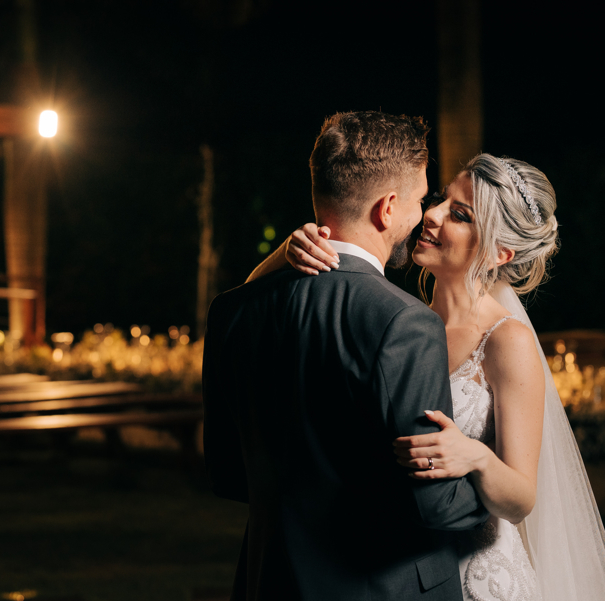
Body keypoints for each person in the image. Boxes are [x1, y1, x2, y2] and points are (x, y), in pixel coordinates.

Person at [257, 153, 605, 600]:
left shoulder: (506, 341)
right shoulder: (403, 324)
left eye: (459, 215)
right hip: (396, 569)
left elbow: (521, 499)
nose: (433, 214)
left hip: (478, 575)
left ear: (499, 253)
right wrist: (286, 254)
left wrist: (476, 457)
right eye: (440, 199)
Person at [203, 111, 490, 601]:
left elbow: (228, 474)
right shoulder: (406, 322)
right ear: (388, 208)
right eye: (420, 200)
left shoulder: (232, 310)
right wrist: (495, 495)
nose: (423, 215)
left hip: (269, 582)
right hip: (381, 586)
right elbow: (434, 501)